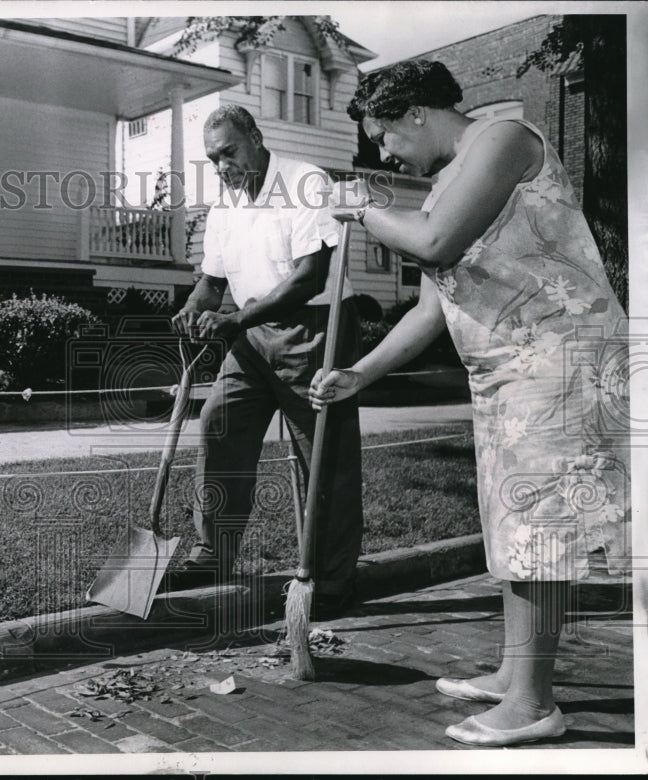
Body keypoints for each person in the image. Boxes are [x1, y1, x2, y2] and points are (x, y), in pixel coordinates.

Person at [310, 60, 630, 747]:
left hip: (558, 360)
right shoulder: (448, 181)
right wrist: (359, 373)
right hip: (507, 370)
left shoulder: (503, 138)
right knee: (517, 530)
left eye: (386, 137)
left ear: (416, 114)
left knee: (538, 532)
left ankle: (533, 704)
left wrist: (358, 204)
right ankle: (518, 679)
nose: (386, 154)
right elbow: (434, 306)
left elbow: (432, 241)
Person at [161, 105, 364, 620]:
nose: (222, 166)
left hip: (315, 330)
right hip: (252, 336)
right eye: (213, 159)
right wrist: (194, 307)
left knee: (325, 456)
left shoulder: (304, 181)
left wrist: (236, 320)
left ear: (255, 136)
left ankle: (330, 579)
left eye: (229, 152)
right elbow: (214, 279)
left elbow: (310, 278)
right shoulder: (225, 206)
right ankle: (213, 556)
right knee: (218, 422)